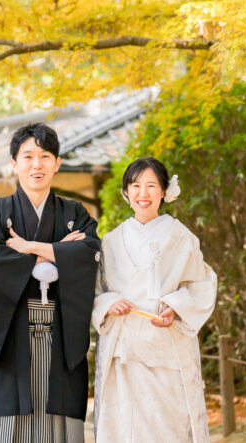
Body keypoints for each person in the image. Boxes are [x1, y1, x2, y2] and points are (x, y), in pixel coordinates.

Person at [0, 122, 101, 442]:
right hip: (9, 333)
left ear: (57, 163)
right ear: (14, 164)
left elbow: (88, 253)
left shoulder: (75, 212)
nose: (36, 164)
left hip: (60, 332)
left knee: (56, 423)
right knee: (6, 423)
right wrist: (58, 253)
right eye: (27, 156)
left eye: (45, 156)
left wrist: (28, 248)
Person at [92, 157, 217, 442]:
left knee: (169, 427)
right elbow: (95, 292)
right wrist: (109, 302)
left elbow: (202, 284)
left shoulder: (181, 237)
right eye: (135, 186)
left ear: (164, 191)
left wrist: (176, 305)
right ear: (126, 192)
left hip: (167, 349)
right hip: (125, 352)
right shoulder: (110, 241)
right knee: (126, 429)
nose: (143, 193)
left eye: (151, 186)